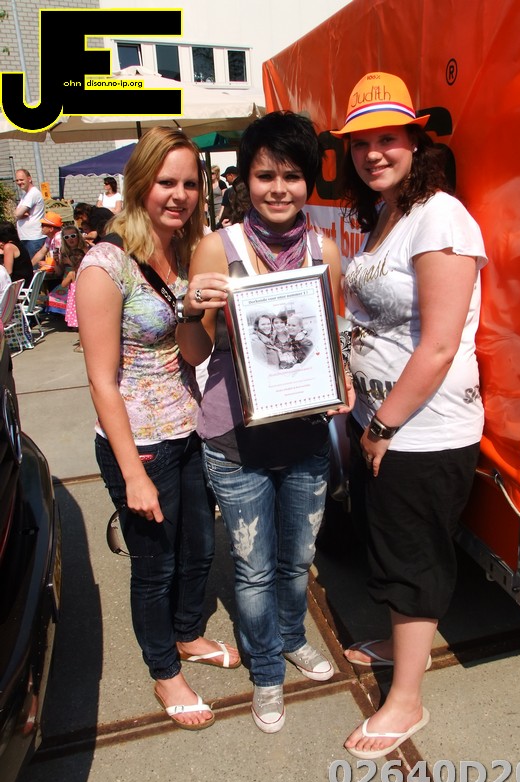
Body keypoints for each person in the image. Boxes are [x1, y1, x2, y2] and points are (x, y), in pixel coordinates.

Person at [330, 72, 487, 758]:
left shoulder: (439, 216)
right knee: (387, 543)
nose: (373, 153)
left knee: (413, 558)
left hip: (421, 429)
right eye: (360, 143)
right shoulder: (388, 213)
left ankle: (406, 701)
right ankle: (401, 645)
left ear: (415, 142)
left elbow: (441, 344)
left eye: (387, 139)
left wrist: (383, 425)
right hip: (380, 418)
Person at [176, 111, 347, 734]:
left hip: (304, 435)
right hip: (234, 439)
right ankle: (267, 668)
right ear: (245, 178)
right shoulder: (217, 248)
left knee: (298, 558)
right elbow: (194, 352)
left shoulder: (325, 252)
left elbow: (330, 339)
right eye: (265, 175)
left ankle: (293, 635)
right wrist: (189, 311)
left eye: (292, 176)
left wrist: (341, 380)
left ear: (309, 182)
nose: (279, 188)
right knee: (252, 566)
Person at [76, 126, 240, 732]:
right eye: (167, 182)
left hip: (188, 428)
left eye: (190, 184)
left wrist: (196, 311)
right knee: (155, 566)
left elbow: (194, 353)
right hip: (140, 442)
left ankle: (188, 634)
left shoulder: (186, 252)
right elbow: (101, 381)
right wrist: (132, 475)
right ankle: (164, 669)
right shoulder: (105, 265)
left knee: (200, 548)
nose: (180, 195)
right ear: (142, 183)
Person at [60, 225, 89, 347]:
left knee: (81, 319)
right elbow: (59, 272)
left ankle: (82, 343)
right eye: (67, 237)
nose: (70, 239)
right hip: (75, 283)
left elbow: (63, 284)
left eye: (73, 236)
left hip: (77, 284)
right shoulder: (63, 252)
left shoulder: (85, 249)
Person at [14, 169, 45, 259]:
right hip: (27, 237)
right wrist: (19, 214)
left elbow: (18, 213)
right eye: (17, 180)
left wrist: (19, 214)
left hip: (34, 238)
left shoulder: (33, 193)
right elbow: (16, 213)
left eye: (21, 180)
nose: (19, 182)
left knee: (35, 265)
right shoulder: (26, 195)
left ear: (29, 179)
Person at [0, 221, 34, 287]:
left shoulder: (9, 247)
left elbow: (8, 273)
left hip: (18, 286)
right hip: (26, 283)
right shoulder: (19, 244)